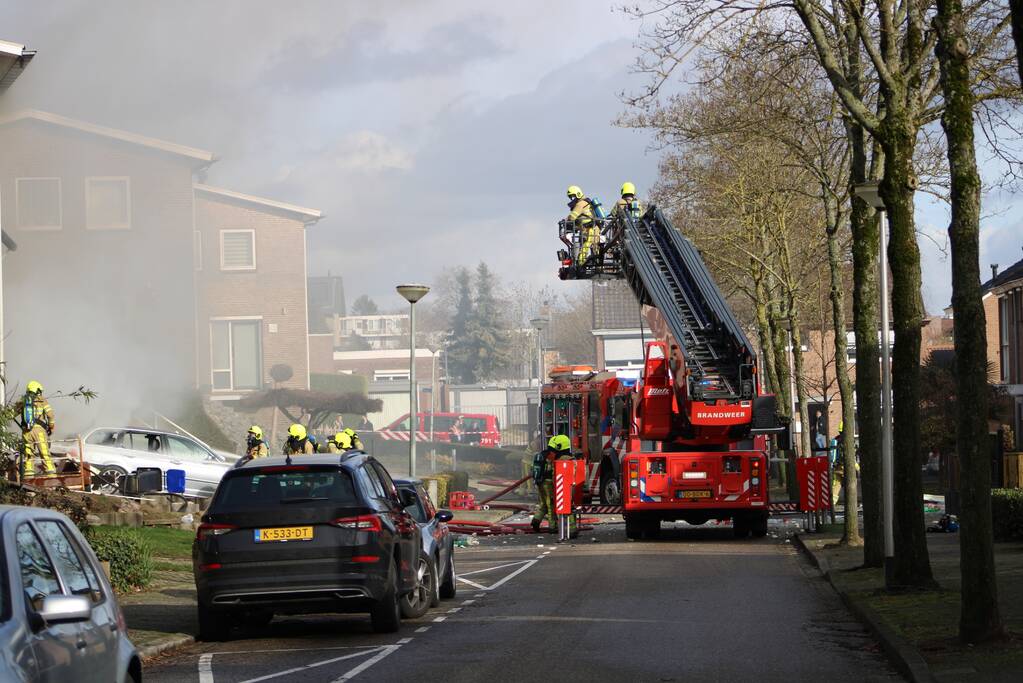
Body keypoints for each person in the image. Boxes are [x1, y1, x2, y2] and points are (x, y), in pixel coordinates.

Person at [17, 380, 56, 476]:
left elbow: (11, 414)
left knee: (28, 454)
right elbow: (50, 415)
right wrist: (51, 427)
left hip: (26, 431)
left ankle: (29, 474)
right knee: (44, 452)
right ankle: (51, 473)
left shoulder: (23, 401)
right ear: (37, 390)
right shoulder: (42, 400)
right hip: (39, 431)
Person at [565, 185, 599, 264]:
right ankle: (596, 263)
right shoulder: (584, 202)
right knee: (594, 248)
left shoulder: (580, 204)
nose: (572, 199)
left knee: (586, 247)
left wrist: (566, 220)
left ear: (578, 194)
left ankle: (581, 264)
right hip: (590, 229)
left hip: (590, 229)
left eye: (573, 197)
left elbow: (572, 217)